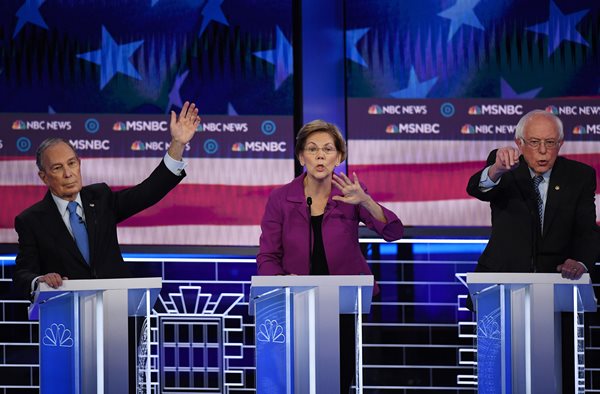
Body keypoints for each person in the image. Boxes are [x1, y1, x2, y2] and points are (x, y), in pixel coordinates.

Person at [257, 119, 404, 393]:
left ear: (339, 156)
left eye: (327, 149)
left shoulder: (350, 195)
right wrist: (284, 284)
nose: (320, 155)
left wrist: (366, 202)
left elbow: (393, 232)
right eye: (312, 149)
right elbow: (267, 256)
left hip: (345, 303)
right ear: (301, 156)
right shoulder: (281, 199)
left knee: (338, 379)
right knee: (299, 379)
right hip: (298, 303)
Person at [466, 109, 598, 393]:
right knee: (498, 376)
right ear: (519, 142)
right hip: (500, 289)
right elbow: (477, 188)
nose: (542, 151)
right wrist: (497, 170)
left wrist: (583, 262)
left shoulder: (580, 176)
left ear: (560, 144)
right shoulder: (504, 169)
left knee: (556, 376)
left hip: (558, 292)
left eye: (550, 143)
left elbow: (587, 231)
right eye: (534, 142)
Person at [12, 101, 201, 299]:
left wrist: (178, 144)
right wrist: (39, 280)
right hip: (65, 315)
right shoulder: (31, 221)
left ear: (79, 164)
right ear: (44, 177)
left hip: (116, 307)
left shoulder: (100, 198)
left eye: (71, 163)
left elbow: (148, 192)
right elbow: (22, 274)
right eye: (57, 168)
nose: (68, 174)